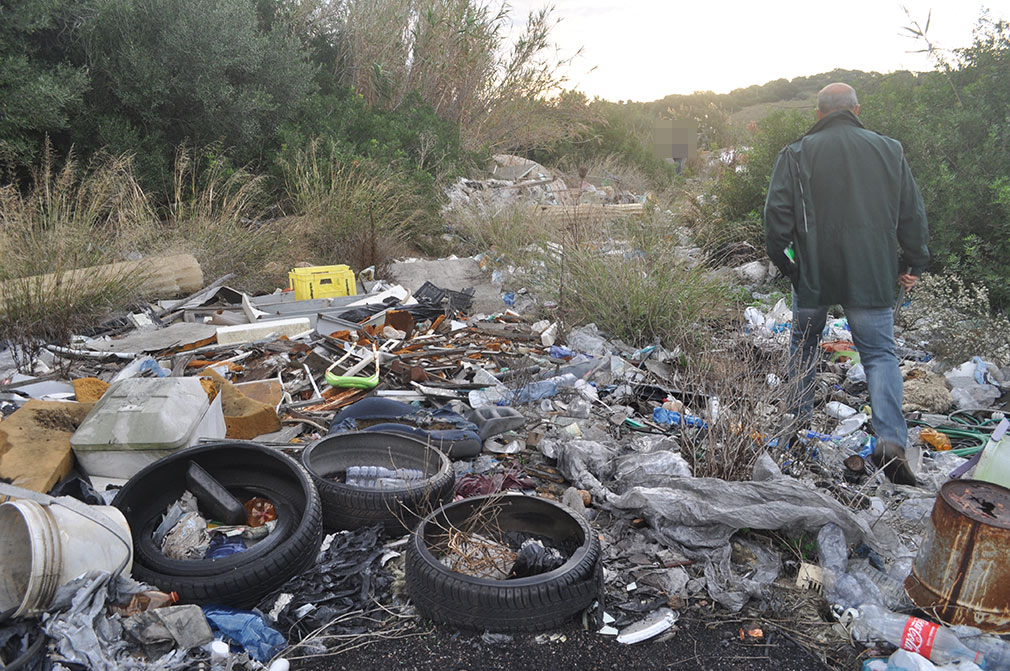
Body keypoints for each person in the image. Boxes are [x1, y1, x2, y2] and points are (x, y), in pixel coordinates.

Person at [763, 82, 930, 459]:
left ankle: (797, 426)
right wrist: (913, 262)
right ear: (857, 110)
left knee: (803, 346)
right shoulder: (890, 150)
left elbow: (776, 220)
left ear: (819, 114)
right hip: (871, 272)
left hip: (813, 273)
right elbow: (912, 214)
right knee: (879, 355)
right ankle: (890, 442)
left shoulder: (795, 154)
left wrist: (789, 266)